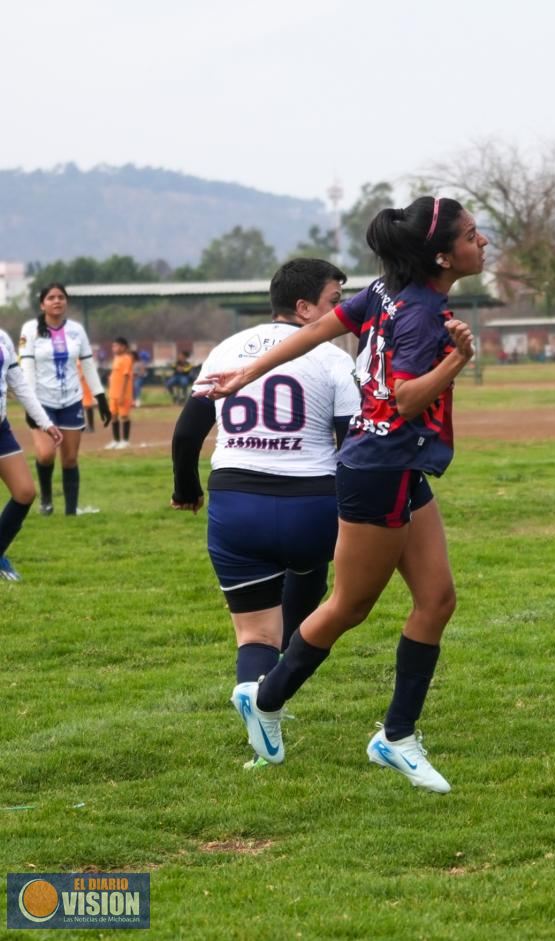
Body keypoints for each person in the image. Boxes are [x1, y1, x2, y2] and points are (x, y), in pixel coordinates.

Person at [198, 196, 486, 793]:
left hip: (401, 466)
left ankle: (396, 737)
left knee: (437, 601)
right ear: (441, 255)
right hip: (375, 472)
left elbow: (316, 332)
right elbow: (408, 399)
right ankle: (266, 697)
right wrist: (459, 359)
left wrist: (247, 373)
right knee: (348, 607)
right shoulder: (419, 312)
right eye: (472, 235)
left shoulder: (386, 291)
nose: (482, 243)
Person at [171, 259, 359, 749]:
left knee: (254, 634)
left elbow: (189, 430)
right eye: (334, 303)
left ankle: (253, 695)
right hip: (312, 505)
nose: (342, 313)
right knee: (311, 579)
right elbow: (349, 445)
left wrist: (186, 488)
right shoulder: (332, 357)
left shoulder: (226, 349)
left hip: (235, 503)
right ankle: (273, 693)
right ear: (303, 307)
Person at [19, 282, 109, 516]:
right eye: (51, 298)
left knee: (69, 459)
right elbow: (26, 368)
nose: (57, 301)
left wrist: (101, 397)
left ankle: (71, 511)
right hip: (41, 403)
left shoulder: (77, 330)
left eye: (61, 297)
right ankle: (46, 501)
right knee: (46, 454)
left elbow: (88, 364)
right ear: (42, 304)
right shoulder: (30, 329)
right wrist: (30, 407)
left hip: (71, 401)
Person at [0, 326, 63, 580]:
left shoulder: (3, 337)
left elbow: (19, 385)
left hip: (1, 428)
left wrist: (44, 422)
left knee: (25, 492)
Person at [105, 337, 135, 449]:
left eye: (116, 346)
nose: (114, 348)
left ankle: (125, 440)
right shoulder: (116, 358)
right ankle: (116, 440)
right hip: (113, 394)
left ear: (123, 347)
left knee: (124, 416)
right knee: (113, 416)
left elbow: (126, 377)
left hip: (123, 394)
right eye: (113, 346)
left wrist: (122, 394)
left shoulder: (127, 358)